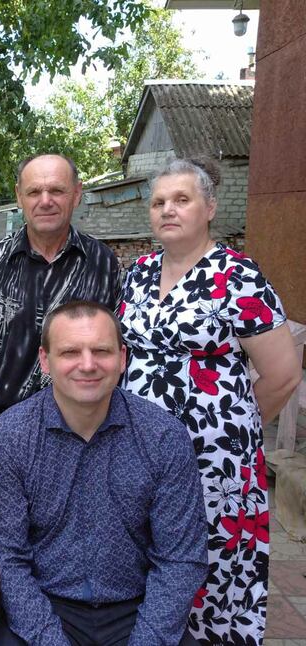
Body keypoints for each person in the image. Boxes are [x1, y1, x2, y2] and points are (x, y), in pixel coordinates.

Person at [119, 157, 302, 645]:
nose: (168, 210)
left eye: (182, 199)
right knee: (149, 555)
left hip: (214, 461)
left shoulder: (237, 275)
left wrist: (229, 426)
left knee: (211, 564)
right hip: (139, 449)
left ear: (210, 208)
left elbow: (283, 374)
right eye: (159, 202)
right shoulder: (137, 273)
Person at [0, 301, 208, 646]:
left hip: (136, 609)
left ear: (122, 357)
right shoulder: (9, 437)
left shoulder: (163, 437)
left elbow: (180, 558)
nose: (87, 365)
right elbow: (9, 558)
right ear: (45, 360)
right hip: (45, 607)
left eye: (100, 351)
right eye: (70, 352)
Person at [0, 153, 121, 436]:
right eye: (34, 192)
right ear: (19, 197)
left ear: (77, 193)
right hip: (3, 431)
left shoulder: (103, 263)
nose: (45, 201)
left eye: (57, 190)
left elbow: (115, 352)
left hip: (83, 432)